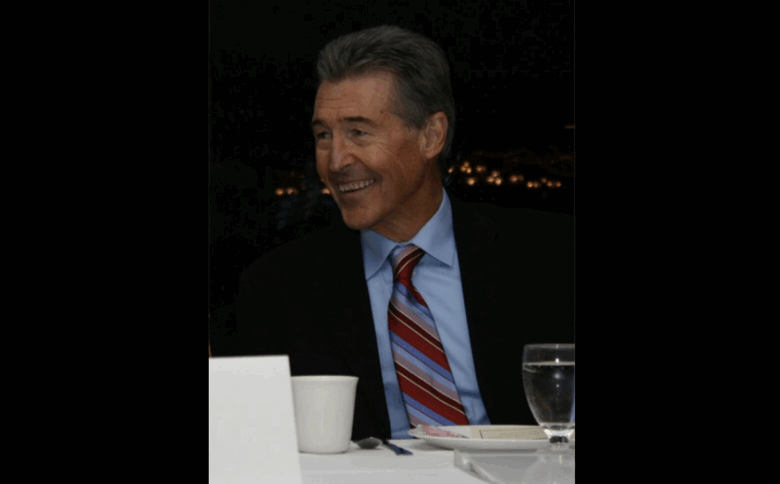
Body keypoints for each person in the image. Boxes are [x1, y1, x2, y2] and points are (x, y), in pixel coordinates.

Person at [234, 25, 574, 440]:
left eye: (359, 132)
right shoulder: (277, 290)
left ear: (431, 136)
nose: (335, 161)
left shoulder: (553, 258)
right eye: (324, 135)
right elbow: (256, 441)